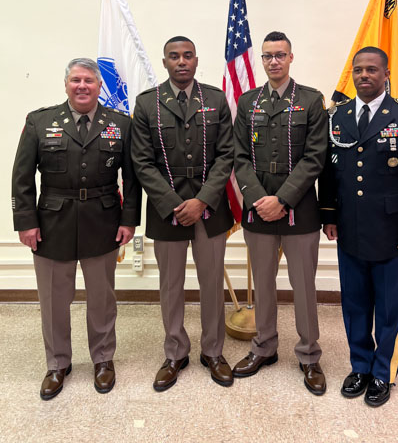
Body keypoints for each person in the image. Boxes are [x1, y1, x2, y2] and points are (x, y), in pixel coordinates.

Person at [12, 58, 141, 400]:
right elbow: (22, 178)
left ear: (100, 86)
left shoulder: (120, 124)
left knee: (102, 299)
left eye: (88, 80)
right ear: (66, 84)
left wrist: (129, 219)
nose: (82, 86)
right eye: (75, 80)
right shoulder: (40, 122)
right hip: (52, 223)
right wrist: (26, 223)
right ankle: (57, 363)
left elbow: (132, 177)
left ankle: (102, 360)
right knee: (54, 300)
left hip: (103, 221)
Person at [320, 46, 398, 407]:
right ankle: (360, 365)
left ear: (386, 74)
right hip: (350, 227)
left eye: (372, 70)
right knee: (355, 304)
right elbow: (329, 170)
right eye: (358, 70)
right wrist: (328, 215)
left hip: (393, 231)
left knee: (388, 307)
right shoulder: (337, 116)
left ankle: (383, 373)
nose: (364, 76)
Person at [131, 36, 234, 391]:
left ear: (195, 60)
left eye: (187, 55)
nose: (181, 62)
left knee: (211, 285)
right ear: (164, 62)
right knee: (171, 287)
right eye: (174, 56)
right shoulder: (146, 104)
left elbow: (226, 156)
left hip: (210, 210)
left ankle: (213, 352)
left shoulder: (215, 99)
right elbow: (142, 163)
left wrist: (202, 200)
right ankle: (175, 352)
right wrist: (176, 204)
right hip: (167, 211)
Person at [232, 31, 328, 395]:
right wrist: (259, 198)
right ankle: (264, 348)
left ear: (291, 58)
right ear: (262, 59)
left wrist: (282, 200)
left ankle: (308, 355)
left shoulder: (310, 100)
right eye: (268, 56)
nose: (274, 61)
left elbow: (315, 157)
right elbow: (239, 157)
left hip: (299, 208)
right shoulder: (247, 102)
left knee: (303, 286)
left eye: (280, 55)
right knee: (263, 283)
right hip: (258, 209)